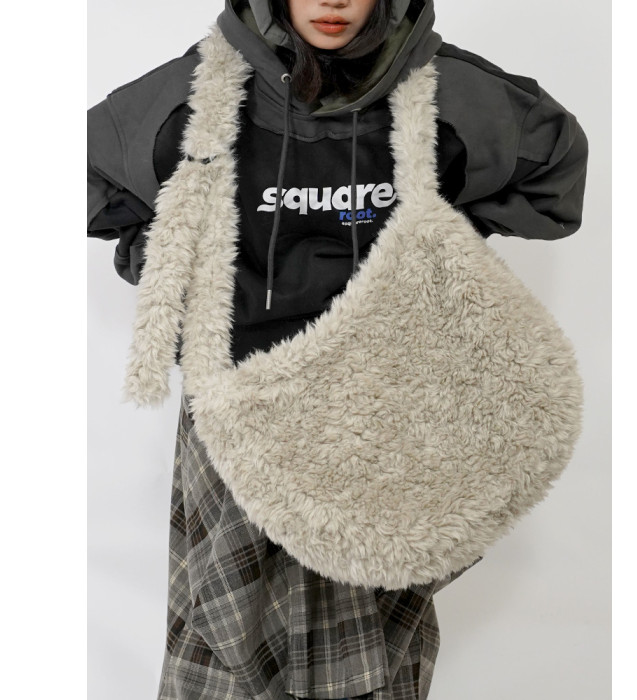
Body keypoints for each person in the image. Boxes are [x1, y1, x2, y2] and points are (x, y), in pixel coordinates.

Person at [87, 1, 589, 698]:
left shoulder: (446, 94)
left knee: (374, 632)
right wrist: (166, 256)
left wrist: (436, 242)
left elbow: (555, 173)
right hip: (240, 408)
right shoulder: (193, 97)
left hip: (386, 411)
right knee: (225, 632)